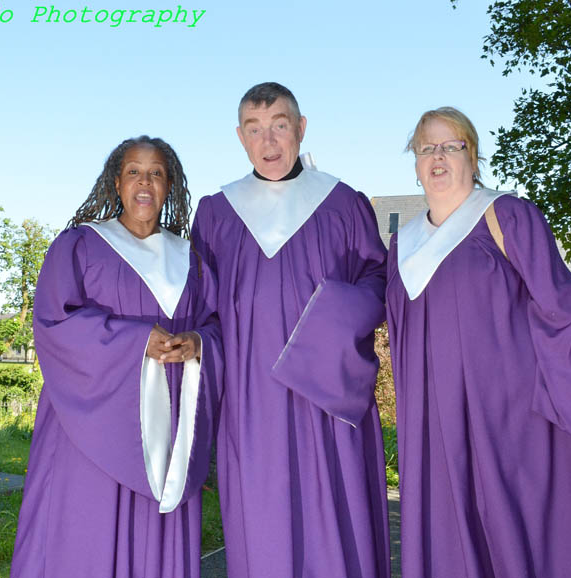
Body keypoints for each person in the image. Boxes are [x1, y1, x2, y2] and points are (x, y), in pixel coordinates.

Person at [386, 107, 571, 577]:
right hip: (435, 424)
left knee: (516, 536)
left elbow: (561, 311)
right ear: (415, 162)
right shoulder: (403, 246)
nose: (437, 156)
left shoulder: (505, 216)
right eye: (426, 148)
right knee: (451, 535)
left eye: (451, 146)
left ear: (472, 157)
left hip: (510, 419)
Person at [191, 82, 390, 577]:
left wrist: (332, 323)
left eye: (280, 126)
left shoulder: (344, 203)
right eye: (255, 130)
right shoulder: (217, 213)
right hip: (250, 397)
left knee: (337, 516)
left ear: (301, 129)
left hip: (327, 390)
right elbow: (198, 306)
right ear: (240, 137)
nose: (269, 141)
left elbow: (377, 276)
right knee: (261, 525)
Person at [10, 136, 223, 578]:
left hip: (169, 431)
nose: (144, 182)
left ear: (170, 186)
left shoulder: (192, 261)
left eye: (157, 173)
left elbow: (219, 326)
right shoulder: (80, 246)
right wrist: (134, 340)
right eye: (134, 172)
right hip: (89, 427)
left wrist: (199, 344)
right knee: (86, 533)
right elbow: (54, 324)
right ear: (116, 182)